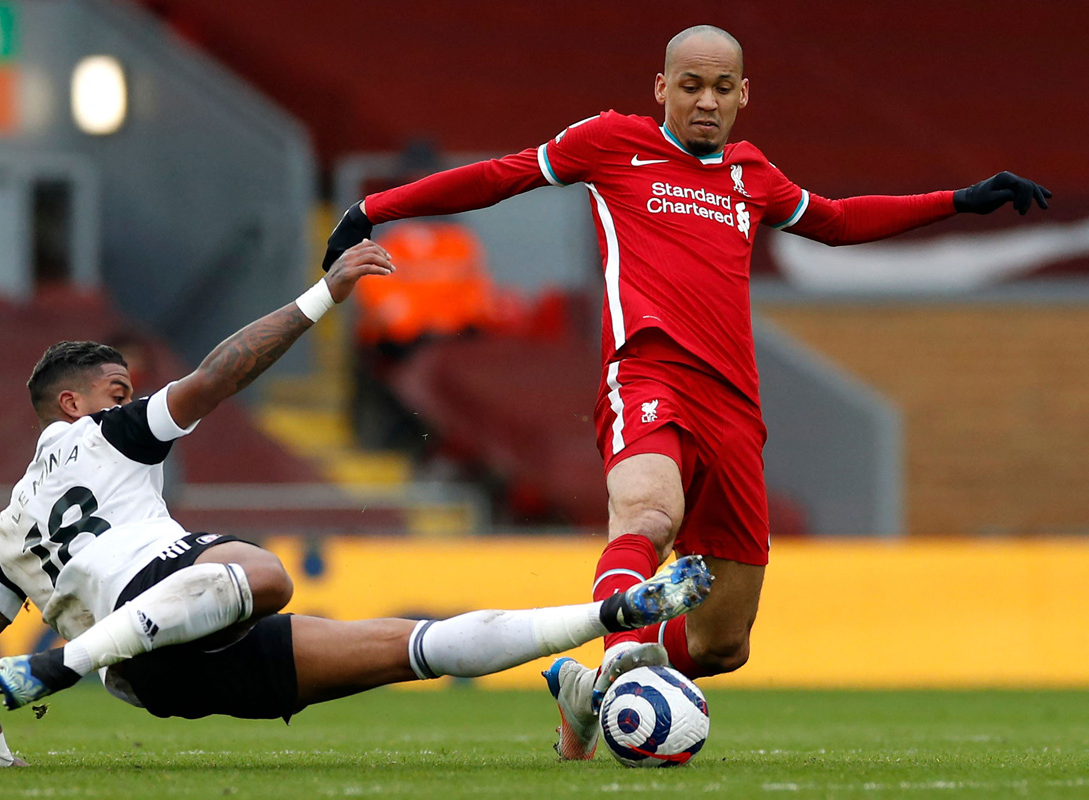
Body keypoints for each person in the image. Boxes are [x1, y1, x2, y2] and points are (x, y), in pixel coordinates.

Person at [320, 26, 1052, 760]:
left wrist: (957, 200)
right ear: (662, 88)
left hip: (734, 412)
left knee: (724, 642)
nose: (707, 101)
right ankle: (622, 661)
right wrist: (376, 207)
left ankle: (592, 687)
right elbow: (500, 175)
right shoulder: (609, 143)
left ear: (743, 97)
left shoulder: (751, 173)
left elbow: (834, 220)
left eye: (722, 88)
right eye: (691, 85)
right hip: (647, 375)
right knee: (647, 512)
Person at [0, 240, 713, 768]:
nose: (131, 395)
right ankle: (62, 665)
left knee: (413, 648)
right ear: (71, 403)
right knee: (268, 575)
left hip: (161, 679)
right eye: (117, 388)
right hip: (156, 608)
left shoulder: (8, 530)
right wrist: (322, 295)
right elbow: (216, 378)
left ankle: (603, 623)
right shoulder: (104, 432)